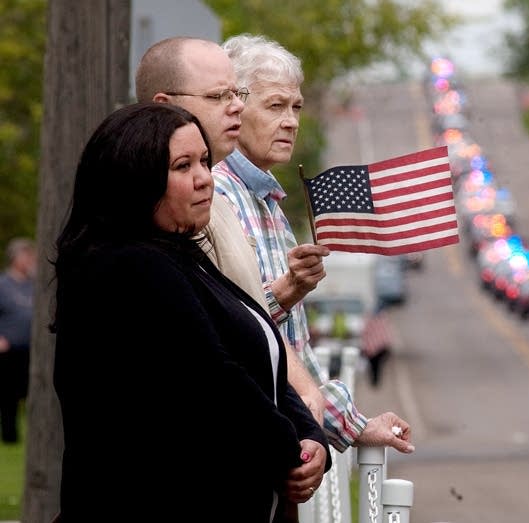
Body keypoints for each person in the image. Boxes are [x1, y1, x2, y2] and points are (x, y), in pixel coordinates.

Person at [51, 102, 330, 522]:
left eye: (205, 162)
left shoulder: (183, 255)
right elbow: (215, 380)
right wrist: (291, 451)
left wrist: (313, 441)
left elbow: (258, 364)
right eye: (182, 166)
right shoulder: (129, 264)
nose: (204, 179)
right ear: (135, 179)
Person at [212, 34, 413, 453]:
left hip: (281, 440)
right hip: (240, 440)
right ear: (234, 106)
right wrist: (289, 289)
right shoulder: (212, 194)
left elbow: (294, 351)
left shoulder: (266, 202)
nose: (291, 121)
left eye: (296, 106)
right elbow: (225, 324)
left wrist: (354, 426)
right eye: (275, 106)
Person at [0, 237, 36, 444]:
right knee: (8, 396)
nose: (29, 259)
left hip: (31, 350)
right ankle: (10, 437)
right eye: (25, 255)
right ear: (14, 257)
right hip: (8, 350)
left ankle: (36, 437)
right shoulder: (3, 284)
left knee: (33, 393)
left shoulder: (35, 284)